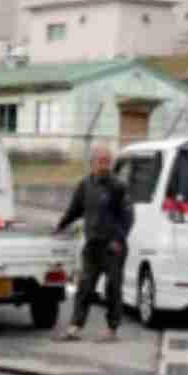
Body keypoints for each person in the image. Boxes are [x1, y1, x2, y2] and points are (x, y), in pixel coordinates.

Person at [53, 145, 134, 341]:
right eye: (101, 161)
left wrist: (118, 240)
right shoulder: (85, 186)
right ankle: (74, 327)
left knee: (112, 288)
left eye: (108, 161)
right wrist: (60, 226)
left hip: (113, 247)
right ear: (92, 163)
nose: (105, 165)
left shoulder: (118, 187)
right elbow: (75, 210)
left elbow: (128, 217)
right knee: (85, 287)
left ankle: (112, 329)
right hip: (92, 245)